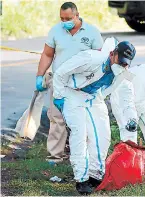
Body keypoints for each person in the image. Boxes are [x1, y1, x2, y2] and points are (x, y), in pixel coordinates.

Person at [52, 38, 136, 195]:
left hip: (94, 97)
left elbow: (126, 97)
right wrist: (59, 96)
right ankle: (81, 179)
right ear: (112, 54)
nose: (122, 65)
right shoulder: (90, 58)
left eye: (126, 64)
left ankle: (95, 176)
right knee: (79, 135)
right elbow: (61, 73)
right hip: (73, 94)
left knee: (102, 136)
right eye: (120, 61)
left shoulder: (123, 75)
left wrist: (131, 117)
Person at [35, 2, 103, 163]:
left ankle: (83, 155)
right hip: (59, 82)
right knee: (57, 118)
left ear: (77, 15)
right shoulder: (55, 31)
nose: (65, 22)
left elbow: (99, 58)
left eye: (68, 18)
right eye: (62, 18)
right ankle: (55, 156)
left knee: (83, 119)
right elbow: (47, 54)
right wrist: (40, 75)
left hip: (82, 85)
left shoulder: (92, 32)